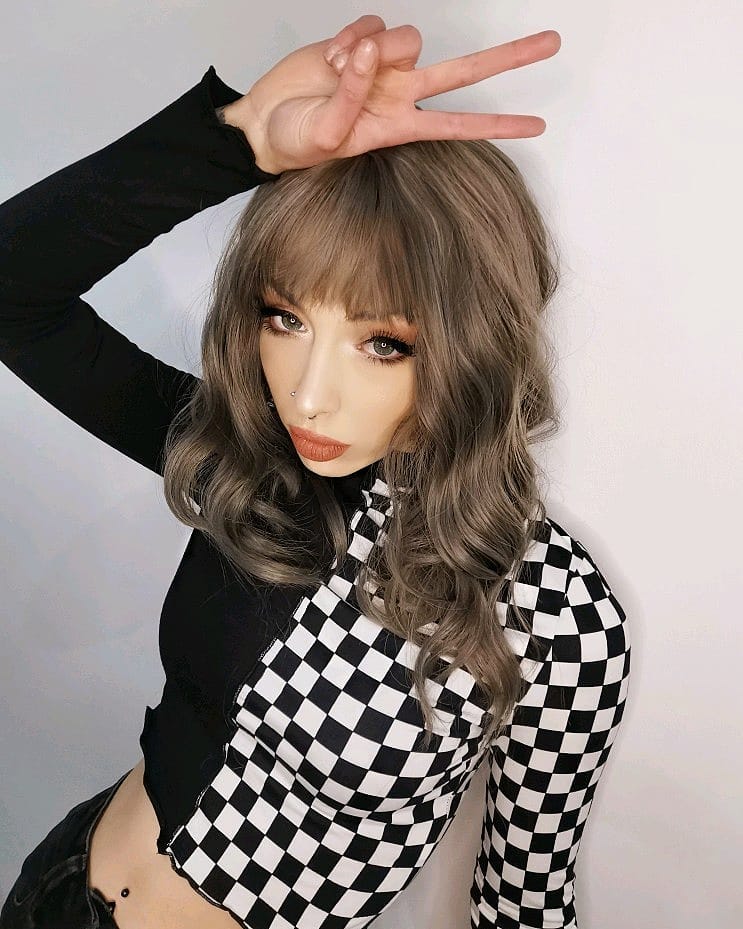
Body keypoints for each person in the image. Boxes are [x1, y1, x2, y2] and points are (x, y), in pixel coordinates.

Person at [0, 13, 630, 929]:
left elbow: (521, 903)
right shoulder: (251, 461)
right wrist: (239, 140)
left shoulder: (555, 611)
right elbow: (13, 292)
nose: (306, 395)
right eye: (285, 317)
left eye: (383, 342)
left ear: (475, 347)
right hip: (58, 887)